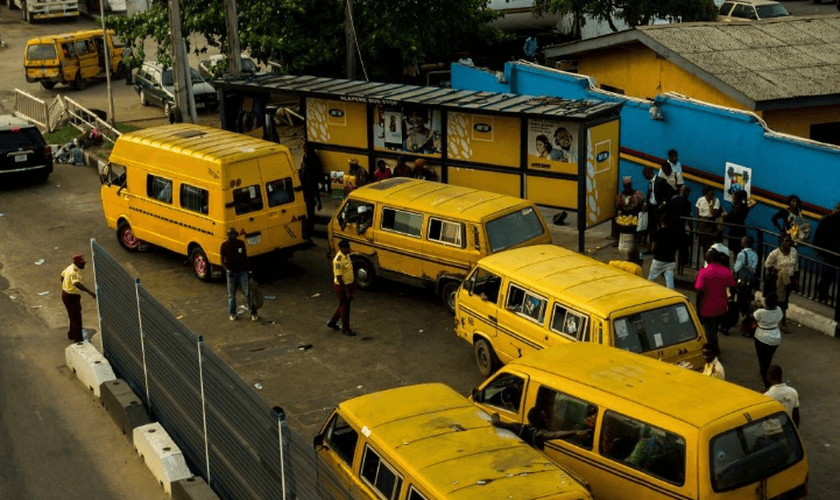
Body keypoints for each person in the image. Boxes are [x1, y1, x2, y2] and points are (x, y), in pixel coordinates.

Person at [490, 408, 592, 451]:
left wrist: (495, 415)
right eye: (544, 418)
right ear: (538, 420)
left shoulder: (518, 427)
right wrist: (575, 432)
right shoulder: (538, 434)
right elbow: (555, 435)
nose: (547, 420)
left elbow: (496, 423)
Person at [695, 249, 736, 355]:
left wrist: (698, 307)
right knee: (714, 327)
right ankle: (714, 349)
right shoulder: (726, 271)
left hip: (706, 307)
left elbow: (699, 292)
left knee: (709, 330)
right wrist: (730, 299)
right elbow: (732, 287)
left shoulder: (703, 272)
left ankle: (714, 351)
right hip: (721, 306)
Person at [723, 235, 759, 337]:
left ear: (746, 243)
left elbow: (736, 269)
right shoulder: (755, 255)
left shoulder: (742, 254)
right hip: (749, 283)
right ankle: (747, 328)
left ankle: (727, 326)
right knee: (746, 306)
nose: (741, 242)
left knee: (735, 305)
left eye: (743, 241)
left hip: (741, 283)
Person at [220, 228, 258, 322]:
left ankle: (253, 312)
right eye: (231, 234)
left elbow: (245, 257)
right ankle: (232, 313)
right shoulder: (224, 246)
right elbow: (222, 261)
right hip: (232, 274)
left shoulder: (240, 243)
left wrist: (249, 271)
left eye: (234, 234)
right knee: (231, 296)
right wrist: (227, 270)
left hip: (242, 272)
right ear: (228, 236)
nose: (233, 236)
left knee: (248, 293)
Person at [764, 234, 798, 331]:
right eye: (786, 241)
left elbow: (796, 266)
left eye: (790, 241)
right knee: (776, 300)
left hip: (789, 280)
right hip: (777, 280)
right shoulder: (776, 253)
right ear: (782, 242)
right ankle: (771, 321)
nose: (789, 243)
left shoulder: (793, 251)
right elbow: (767, 264)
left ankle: (783, 322)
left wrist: (796, 279)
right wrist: (777, 271)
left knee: (784, 301)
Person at [60, 253, 97, 343]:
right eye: (81, 263)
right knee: (77, 318)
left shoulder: (69, 267)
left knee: (72, 316)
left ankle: (71, 333)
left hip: (66, 294)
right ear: (76, 263)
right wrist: (90, 292)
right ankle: (78, 340)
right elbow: (76, 283)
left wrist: (65, 286)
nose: (83, 265)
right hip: (71, 296)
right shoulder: (75, 271)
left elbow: (62, 276)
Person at [327, 239, 357, 336]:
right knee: (345, 307)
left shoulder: (346, 256)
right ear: (342, 249)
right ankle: (346, 328)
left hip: (348, 284)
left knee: (342, 305)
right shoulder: (338, 260)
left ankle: (333, 321)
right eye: (347, 248)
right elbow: (339, 277)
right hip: (342, 286)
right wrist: (347, 291)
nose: (349, 249)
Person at [754, 294, 783, 389]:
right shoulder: (779, 310)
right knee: (768, 358)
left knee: (762, 360)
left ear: (766, 303)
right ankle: (765, 375)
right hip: (775, 338)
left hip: (761, 337)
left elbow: (754, 317)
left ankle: (766, 380)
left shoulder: (760, 312)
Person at [813, 202, 840, 302]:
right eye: (836, 208)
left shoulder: (833, 220)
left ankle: (823, 292)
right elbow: (819, 235)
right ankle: (821, 292)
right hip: (829, 251)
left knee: (830, 274)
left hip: (834, 251)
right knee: (828, 273)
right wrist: (818, 248)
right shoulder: (827, 220)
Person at [642, 166, 673, 246]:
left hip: (659, 208)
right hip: (651, 207)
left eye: (645, 175)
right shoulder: (650, 183)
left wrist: (664, 203)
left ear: (648, 173)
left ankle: (662, 245)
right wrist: (646, 203)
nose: (645, 177)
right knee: (651, 228)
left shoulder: (661, 181)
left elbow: (669, 193)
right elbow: (650, 194)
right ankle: (652, 246)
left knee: (661, 227)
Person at [648, 216, 680, 289]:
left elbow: (653, 248)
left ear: (661, 222)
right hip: (671, 260)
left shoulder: (657, 232)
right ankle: (671, 295)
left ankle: (647, 292)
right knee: (669, 281)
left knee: (651, 278)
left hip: (659, 260)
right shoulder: (675, 232)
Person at [696, 186, 722, 255]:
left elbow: (714, 213)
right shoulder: (700, 200)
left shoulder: (716, 201)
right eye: (710, 194)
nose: (712, 196)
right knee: (703, 245)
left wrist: (711, 204)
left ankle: (710, 260)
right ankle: (705, 260)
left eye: (713, 194)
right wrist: (697, 227)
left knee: (710, 244)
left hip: (710, 224)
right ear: (706, 193)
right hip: (702, 224)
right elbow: (698, 214)